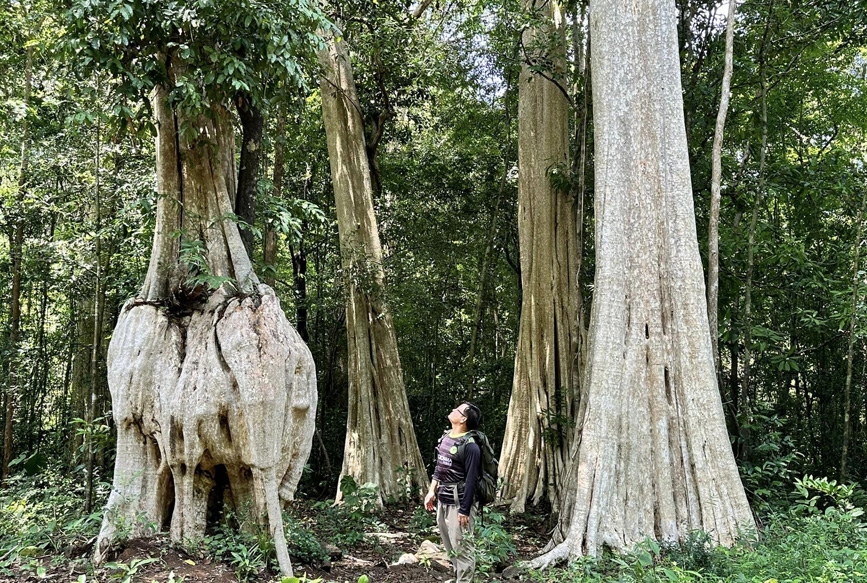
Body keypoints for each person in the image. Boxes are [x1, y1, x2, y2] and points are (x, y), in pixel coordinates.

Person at [424, 402, 483, 583]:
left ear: (463, 419)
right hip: (443, 499)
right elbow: (440, 468)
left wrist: (464, 510)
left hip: (459, 503)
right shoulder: (446, 438)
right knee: (450, 545)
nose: (452, 410)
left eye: (456, 410)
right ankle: (459, 578)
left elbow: (472, 479)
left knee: (462, 547)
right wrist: (431, 491)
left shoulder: (471, 446)